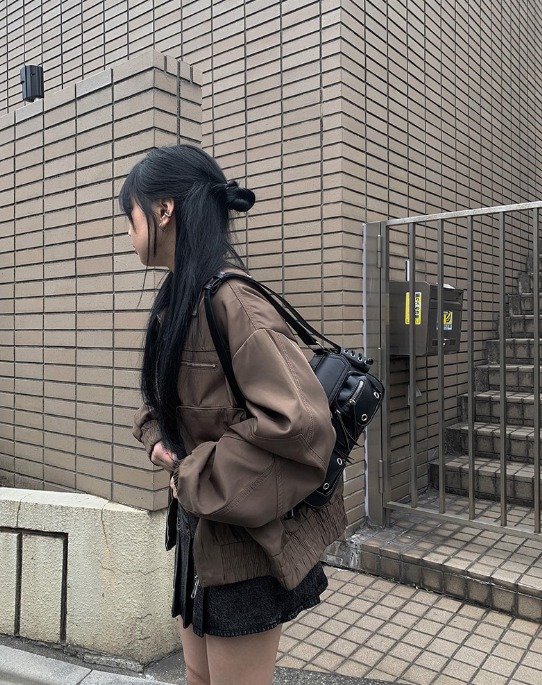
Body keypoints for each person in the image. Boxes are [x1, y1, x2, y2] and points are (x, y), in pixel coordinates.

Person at [122, 144, 347, 685]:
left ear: (164, 211)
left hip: (244, 548)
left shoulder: (232, 302)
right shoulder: (181, 297)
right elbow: (167, 399)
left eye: (129, 215)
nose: (126, 230)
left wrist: (192, 474)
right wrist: (157, 436)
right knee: (197, 676)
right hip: (200, 536)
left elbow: (299, 425)